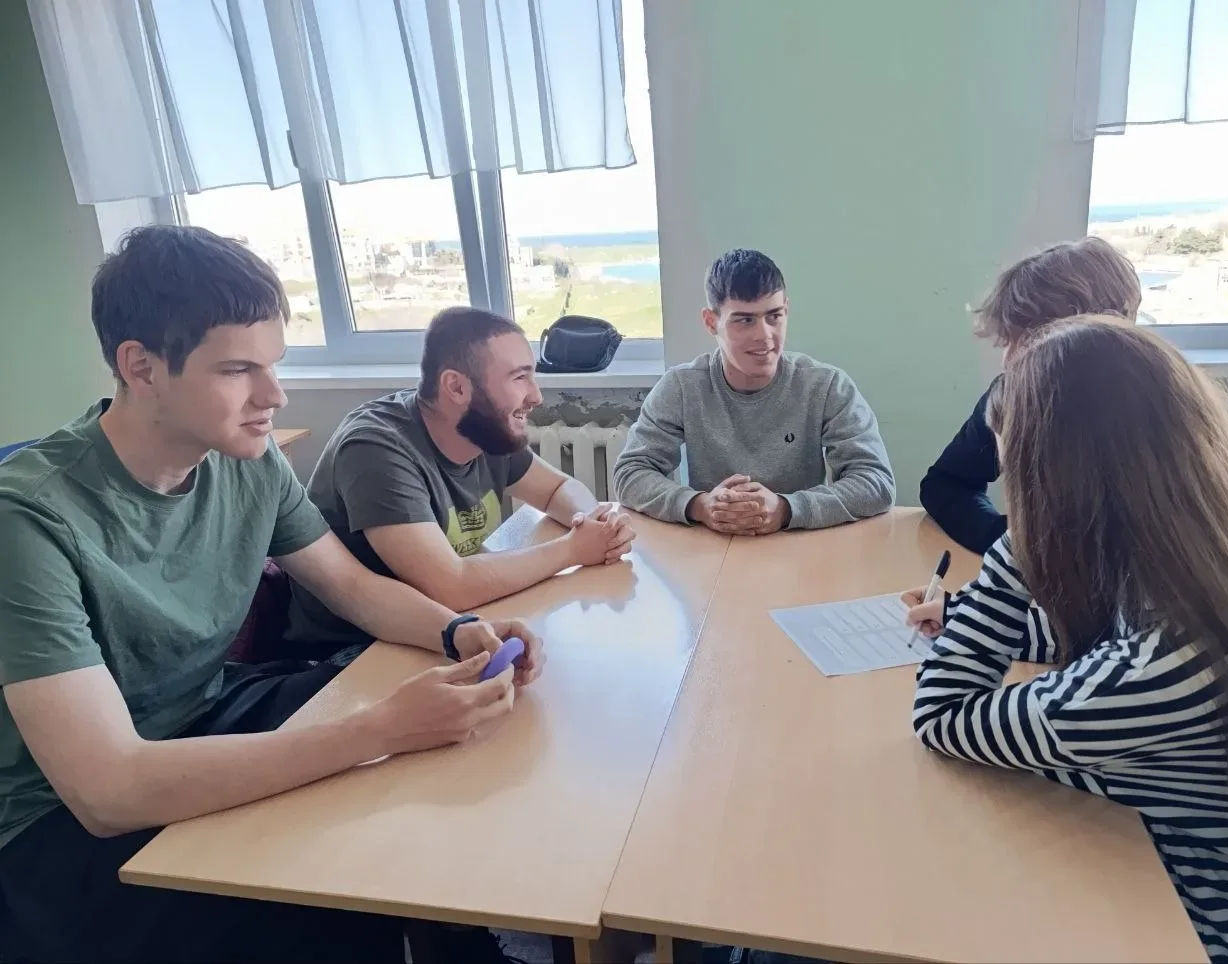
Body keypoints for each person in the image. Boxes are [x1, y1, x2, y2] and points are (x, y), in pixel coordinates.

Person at [0, 226, 545, 964]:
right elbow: (109, 791)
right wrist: (379, 730)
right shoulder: (27, 519)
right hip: (53, 821)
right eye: (237, 369)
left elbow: (349, 585)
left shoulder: (245, 459)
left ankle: (457, 942)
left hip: (203, 713)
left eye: (274, 365)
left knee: (438, 751)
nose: (274, 396)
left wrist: (459, 629)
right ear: (141, 367)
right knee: (323, 872)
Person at [905, 318, 1228, 963]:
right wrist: (976, 617)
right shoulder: (1227, 566)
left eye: (1013, 467)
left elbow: (942, 714)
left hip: (1196, 932)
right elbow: (1108, 632)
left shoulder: (1159, 674)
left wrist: (1017, 544)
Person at [287, 306, 635, 646]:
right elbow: (449, 586)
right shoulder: (375, 449)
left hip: (449, 628)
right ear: (456, 388)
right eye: (519, 377)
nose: (536, 396)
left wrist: (593, 522)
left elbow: (557, 488)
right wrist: (573, 549)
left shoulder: (484, 429)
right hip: (354, 652)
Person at [919, 236, 1228, 553]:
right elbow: (946, 484)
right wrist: (1014, 549)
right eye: (1008, 340)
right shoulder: (1012, 397)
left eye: (1029, 339)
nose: (1009, 360)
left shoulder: (1189, 411)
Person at [613, 249, 894, 534]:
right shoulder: (681, 387)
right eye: (745, 320)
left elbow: (876, 482)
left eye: (774, 316)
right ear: (711, 322)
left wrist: (787, 509)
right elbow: (631, 473)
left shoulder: (827, 386)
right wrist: (701, 506)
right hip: (711, 546)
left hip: (801, 544)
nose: (764, 335)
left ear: (786, 310)